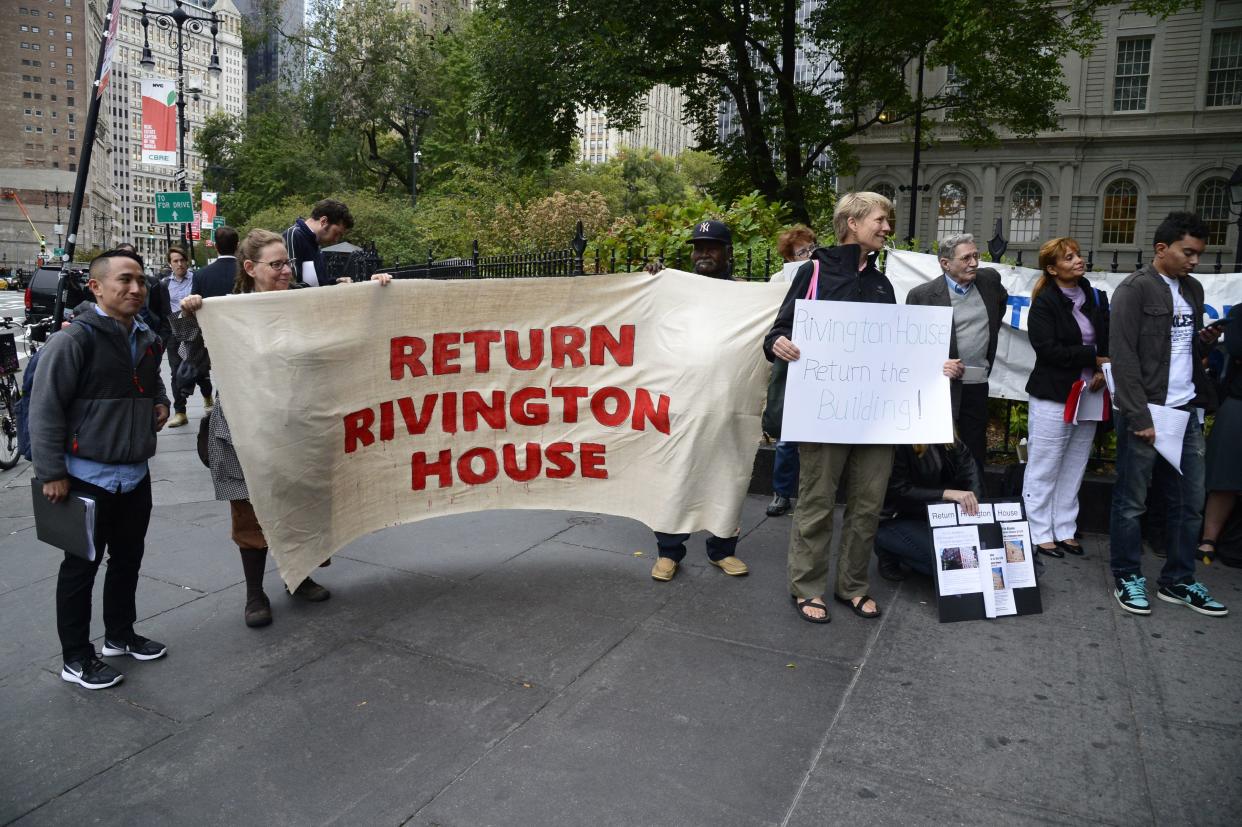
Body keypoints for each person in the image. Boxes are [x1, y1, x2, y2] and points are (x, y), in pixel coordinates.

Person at [178, 229, 392, 626]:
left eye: (287, 263)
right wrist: (191, 316)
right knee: (249, 511)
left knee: (300, 504)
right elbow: (191, 356)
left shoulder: (305, 302)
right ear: (250, 268)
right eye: (276, 264)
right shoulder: (227, 310)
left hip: (297, 425)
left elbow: (353, 333)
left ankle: (299, 576)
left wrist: (377, 293)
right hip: (245, 430)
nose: (285, 270)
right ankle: (255, 592)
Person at [29, 249, 171, 689]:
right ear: (96, 286)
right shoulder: (74, 339)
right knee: (80, 569)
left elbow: (151, 381)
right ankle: (76, 657)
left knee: (128, 558)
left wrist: (161, 400)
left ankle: (120, 635)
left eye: (141, 281)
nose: (135, 289)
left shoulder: (144, 334)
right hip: (86, 477)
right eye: (124, 280)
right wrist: (52, 472)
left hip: (134, 474)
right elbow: (45, 407)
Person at [764, 191, 898, 624]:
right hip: (823, 412)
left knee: (867, 504)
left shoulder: (882, 283)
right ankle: (807, 587)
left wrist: (936, 367)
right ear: (852, 223)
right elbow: (778, 332)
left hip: (873, 415)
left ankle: (852, 586)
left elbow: (897, 348)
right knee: (817, 502)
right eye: (880, 220)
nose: (887, 228)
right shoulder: (814, 272)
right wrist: (779, 344)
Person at [1109, 212, 1226, 617]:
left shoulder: (1192, 290)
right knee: (1132, 501)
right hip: (1147, 411)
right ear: (1162, 249)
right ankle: (1127, 575)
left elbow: (1179, 349)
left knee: (1189, 502)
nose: (1195, 261)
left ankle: (1178, 581)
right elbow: (1123, 359)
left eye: (1198, 254)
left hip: (1186, 408)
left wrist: (1203, 343)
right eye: (1188, 252)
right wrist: (1140, 416)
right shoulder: (1134, 290)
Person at [647, 219, 749, 582]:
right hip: (681, 400)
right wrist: (651, 281)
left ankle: (722, 550)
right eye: (698, 246)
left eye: (712, 246)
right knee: (676, 475)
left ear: (727, 252)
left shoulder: (743, 294)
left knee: (727, 475)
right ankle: (668, 551)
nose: (703, 252)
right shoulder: (673, 288)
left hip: (727, 401)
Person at [1021, 237, 1109, 559]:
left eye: (1078, 255)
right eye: (1068, 257)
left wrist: (1102, 368)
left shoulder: (1096, 296)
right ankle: (1038, 530)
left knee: (1075, 463)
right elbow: (1047, 349)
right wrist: (1092, 357)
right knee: (1045, 464)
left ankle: (1065, 528)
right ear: (1052, 268)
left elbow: (1107, 339)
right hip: (1054, 394)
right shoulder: (1045, 302)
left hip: (1091, 393)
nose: (1078, 260)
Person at [905, 233, 1009, 474]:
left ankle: (973, 506)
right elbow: (912, 347)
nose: (974, 263)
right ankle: (938, 506)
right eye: (966, 258)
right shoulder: (922, 296)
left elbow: (999, 306)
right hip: (940, 387)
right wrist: (937, 365)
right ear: (945, 263)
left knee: (974, 454)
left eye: (976, 256)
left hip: (976, 385)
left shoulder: (989, 281)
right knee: (937, 455)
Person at [874, 437, 982, 580]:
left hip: (935, 517)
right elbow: (898, 490)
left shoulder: (953, 442)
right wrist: (946, 494)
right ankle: (888, 550)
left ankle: (915, 553)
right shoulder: (901, 443)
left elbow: (972, 476)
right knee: (952, 564)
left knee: (971, 563)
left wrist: (976, 513)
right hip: (898, 518)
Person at [766, 225, 817, 517]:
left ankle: (808, 497)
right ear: (789, 259)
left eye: (812, 248)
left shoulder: (823, 274)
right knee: (788, 434)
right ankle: (782, 493)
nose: (809, 255)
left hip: (819, 362)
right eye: (802, 252)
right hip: (791, 360)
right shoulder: (778, 281)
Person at [1199, 304, 1242, 563]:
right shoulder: (1239, 312)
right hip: (1239, 401)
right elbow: (1237, 350)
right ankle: (1208, 540)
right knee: (1224, 477)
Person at [155, 247, 212, 428]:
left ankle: (208, 397)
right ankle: (180, 412)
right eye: (175, 261)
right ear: (170, 263)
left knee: (199, 369)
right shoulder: (164, 284)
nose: (179, 264)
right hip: (174, 330)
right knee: (175, 371)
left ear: (187, 261)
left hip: (195, 330)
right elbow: (160, 309)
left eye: (182, 260)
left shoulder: (197, 278)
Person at [282, 198, 355, 287]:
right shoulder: (294, 235)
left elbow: (315, 282)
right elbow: (291, 283)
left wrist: (336, 282)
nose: (336, 240)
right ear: (323, 221)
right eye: (336, 233)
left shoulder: (315, 242)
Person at [192, 226, 240, 299]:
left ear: (215, 246)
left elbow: (194, 305)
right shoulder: (248, 272)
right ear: (237, 246)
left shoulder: (199, 275)